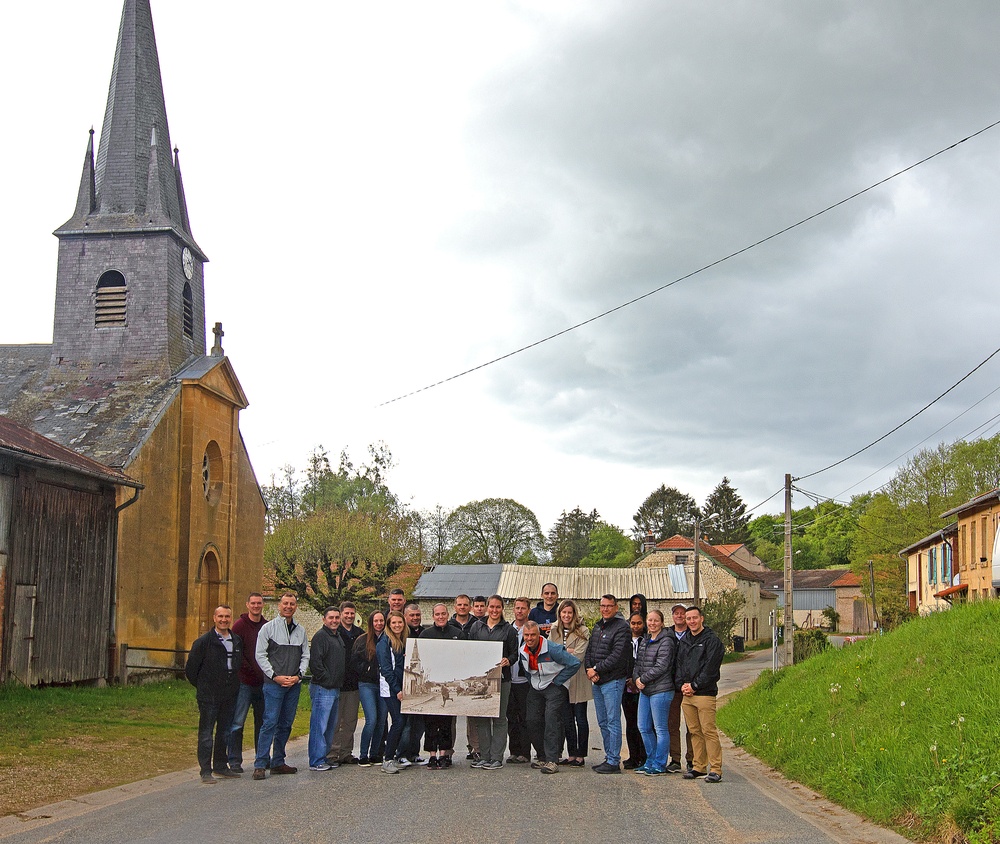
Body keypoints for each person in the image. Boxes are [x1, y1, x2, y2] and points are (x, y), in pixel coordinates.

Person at [253, 592, 310, 780]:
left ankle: (278, 761)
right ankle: (260, 763)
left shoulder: (300, 631)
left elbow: (305, 656)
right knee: (269, 723)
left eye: (292, 604)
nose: (288, 607)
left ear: (296, 607)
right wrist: (275, 676)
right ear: (279, 605)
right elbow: (260, 655)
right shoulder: (268, 629)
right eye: (285, 603)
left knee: (286, 724)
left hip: (293, 685)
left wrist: (298, 676)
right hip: (274, 685)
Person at [185, 605, 243, 783]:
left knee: (224, 732)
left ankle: (220, 766)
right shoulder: (203, 642)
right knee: (206, 734)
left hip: (229, 695)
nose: (224, 620)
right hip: (209, 696)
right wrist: (204, 686)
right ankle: (205, 770)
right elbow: (191, 670)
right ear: (214, 618)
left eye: (227, 616)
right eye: (220, 616)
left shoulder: (236, 640)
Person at [518, 621, 580, 774]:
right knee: (531, 720)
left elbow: (574, 663)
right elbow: (526, 670)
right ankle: (542, 756)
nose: (530, 638)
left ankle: (552, 760)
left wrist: (558, 681)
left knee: (551, 718)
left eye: (533, 635)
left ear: (539, 634)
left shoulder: (552, 649)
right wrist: (532, 682)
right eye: (527, 635)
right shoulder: (522, 650)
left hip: (554, 685)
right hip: (536, 685)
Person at [675, 606, 725, 783]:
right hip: (687, 695)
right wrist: (682, 685)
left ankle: (716, 769)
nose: (691, 622)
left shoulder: (712, 641)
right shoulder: (685, 640)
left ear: (702, 618)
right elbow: (679, 665)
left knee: (708, 731)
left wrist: (695, 685)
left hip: (704, 694)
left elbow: (710, 668)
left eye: (694, 618)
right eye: (688, 619)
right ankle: (698, 766)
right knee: (694, 731)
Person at [468, 595, 518, 770]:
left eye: (498, 607)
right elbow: (470, 651)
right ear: (487, 607)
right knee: (482, 717)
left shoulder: (509, 630)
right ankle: (485, 755)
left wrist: (508, 660)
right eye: (492, 607)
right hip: (481, 680)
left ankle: (496, 757)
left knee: (499, 718)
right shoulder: (476, 627)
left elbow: (514, 654)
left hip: (501, 679)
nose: (494, 610)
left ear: (502, 608)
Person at [585, 594, 631, 774]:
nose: (605, 609)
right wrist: (589, 669)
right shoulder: (597, 626)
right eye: (602, 606)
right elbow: (590, 651)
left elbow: (617, 656)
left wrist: (596, 669)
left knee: (612, 721)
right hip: (597, 681)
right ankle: (608, 756)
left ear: (616, 607)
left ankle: (613, 761)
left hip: (613, 681)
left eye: (609, 606)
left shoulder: (622, 628)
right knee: (602, 721)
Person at [634, 609, 677, 776]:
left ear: (661, 622)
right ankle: (650, 761)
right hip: (645, 690)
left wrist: (642, 679)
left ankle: (660, 763)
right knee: (643, 726)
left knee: (660, 728)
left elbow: (662, 666)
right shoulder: (645, 640)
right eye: (649, 620)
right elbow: (637, 662)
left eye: (655, 620)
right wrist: (637, 678)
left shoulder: (666, 641)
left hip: (661, 689)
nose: (652, 623)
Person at [228, 593, 267, 774]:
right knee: (237, 722)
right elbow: (237, 653)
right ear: (247, 605)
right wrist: (251, 670)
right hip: (244, 682)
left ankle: (261, 758)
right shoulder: (239, 626)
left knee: (262, 722)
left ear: (263, 605)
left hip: (263, 683)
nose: (256, 606)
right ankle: (234, 760)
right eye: (253, 603)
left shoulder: (267, 626)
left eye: (259, 603)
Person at [420, 603, 462, 769]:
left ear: (448, 614)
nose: (441, 617)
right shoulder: (425, 634)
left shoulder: (458, 634)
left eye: (443, 614)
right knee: (430, 723)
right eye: (437, 614)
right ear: (433, 617)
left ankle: (444, 754)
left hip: (448, 681)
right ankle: (431, 755)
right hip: (433, 682)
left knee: (446, 723)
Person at [552, 599, 590, 767]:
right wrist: (566, 652)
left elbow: (579, 656)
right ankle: (572, 753)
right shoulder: (554, 631)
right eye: (564, 612)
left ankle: (581, 754)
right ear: (560, 614)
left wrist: (562, 653)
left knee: (580, 719)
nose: (566, 615)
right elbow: (549, 654)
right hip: (561, 680)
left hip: (578, 680)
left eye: (570, 612)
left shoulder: (583, 631)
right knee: (567, 719)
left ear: (574, 614)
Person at [307, 606, 345, 772]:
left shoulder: (337, 637)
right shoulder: (320, 637)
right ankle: (316, 760)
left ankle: (324, 757)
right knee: (319, 726)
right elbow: (316, 663)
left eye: (337, 617)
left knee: (330, 727)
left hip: (335, 688)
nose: (334, 620)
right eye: (331, 618)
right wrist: (327, 680)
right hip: (323, 688)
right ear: (324, 619)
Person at [330, 601, 364, 765]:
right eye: (346, 613)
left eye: (352, 613)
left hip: (354, 684)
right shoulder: (335, 633)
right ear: (341, 614)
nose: (349, 616)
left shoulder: (360, 634)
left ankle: (346, 752)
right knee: (336, 722)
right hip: (338, 684)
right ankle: (333, 753)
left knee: (350, 721)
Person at [353, 610, 387, 766]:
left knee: (381, 720)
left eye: (381, 621)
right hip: (367, 684)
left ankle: (375, 754)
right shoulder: (362, 640)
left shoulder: (388, 639)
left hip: (384, 685)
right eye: (376, 621)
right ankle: (363, 754)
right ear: (371, 623)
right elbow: (355, 662)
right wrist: (367, 669)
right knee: (371, 719)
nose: (379, 623)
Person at [378, 611, 409, 773]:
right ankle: (387, 759)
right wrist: (397, 690)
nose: (397, 625)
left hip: (400, 687)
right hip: (390, 689)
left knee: (401, 722)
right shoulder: (384, 642)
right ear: (388, 625)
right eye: (394, 623)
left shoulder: (400, 641)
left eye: (400, 623)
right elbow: (386, 670)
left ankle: (393, 757)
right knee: (398, 722)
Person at [666, 603, 694, 773]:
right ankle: (675, 759)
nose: (679, 616)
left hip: (689, 686)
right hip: (671, 686)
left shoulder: (694, 635)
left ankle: (692, 759)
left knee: (692, 726)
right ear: (673, 616)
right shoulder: (667, 634)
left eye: (682, 613)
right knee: (672, 724)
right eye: (676, 613)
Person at [399, 604, 426, 765]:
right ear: (405, 616)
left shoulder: (425, 633)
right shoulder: (401, 634)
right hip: (403, 684)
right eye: (412, 615)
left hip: (418, 681)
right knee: (407, 724)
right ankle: (401, 753)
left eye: (417, 615)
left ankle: (414, 753)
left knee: (419, 724)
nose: (415, 618)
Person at [506, 597, 532, 764]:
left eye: (523, 608)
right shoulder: (508, 630)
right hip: (509, 679)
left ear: (528, 610)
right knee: (511, 717)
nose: (520, 611)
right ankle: (513, 751)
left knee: (525, 718)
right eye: (517, 608)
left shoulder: (531, 630)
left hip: (524, 681)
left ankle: (525, 752)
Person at [622, 612, 647, 770]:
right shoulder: (625, 642)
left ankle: (644, 757)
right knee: (630, 723)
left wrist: (638, 679)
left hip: (642, 686)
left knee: (643, 724)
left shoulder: (647, 641)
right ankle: (633, 756)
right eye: (633, 623)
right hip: (627, 687)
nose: (636, 626)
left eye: (639, 623)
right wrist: (627, 679)